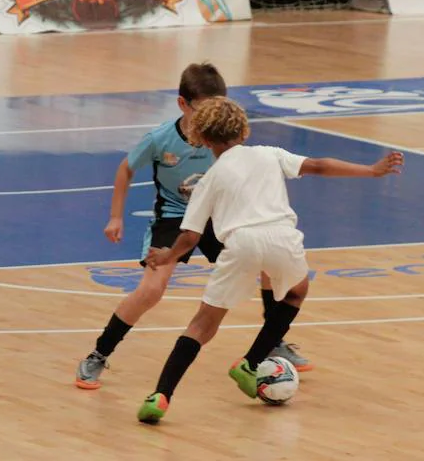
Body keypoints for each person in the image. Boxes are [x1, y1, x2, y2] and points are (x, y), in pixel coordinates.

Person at [137, 96, 404, 423]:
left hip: (239, 244)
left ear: (203, 138)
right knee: (296, 292)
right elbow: (319, 165)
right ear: (243, 130)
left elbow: (190, 237)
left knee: (202, 325)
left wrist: (166, 257)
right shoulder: (269, 154)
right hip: (281, 238)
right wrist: (371, 170)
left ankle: (161, 396)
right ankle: (250, 363)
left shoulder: (210, 178)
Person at [75, 64, 312, 391]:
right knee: (151, 290)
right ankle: (99, 353)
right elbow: (125, 170)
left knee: (269, 268)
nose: (213, 114)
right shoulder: (160, 139)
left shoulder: (223, 135)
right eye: (204, 108)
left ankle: (274, 341)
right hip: (175, 218)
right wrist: (115, 217)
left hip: (221, 219)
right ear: (183, 105)